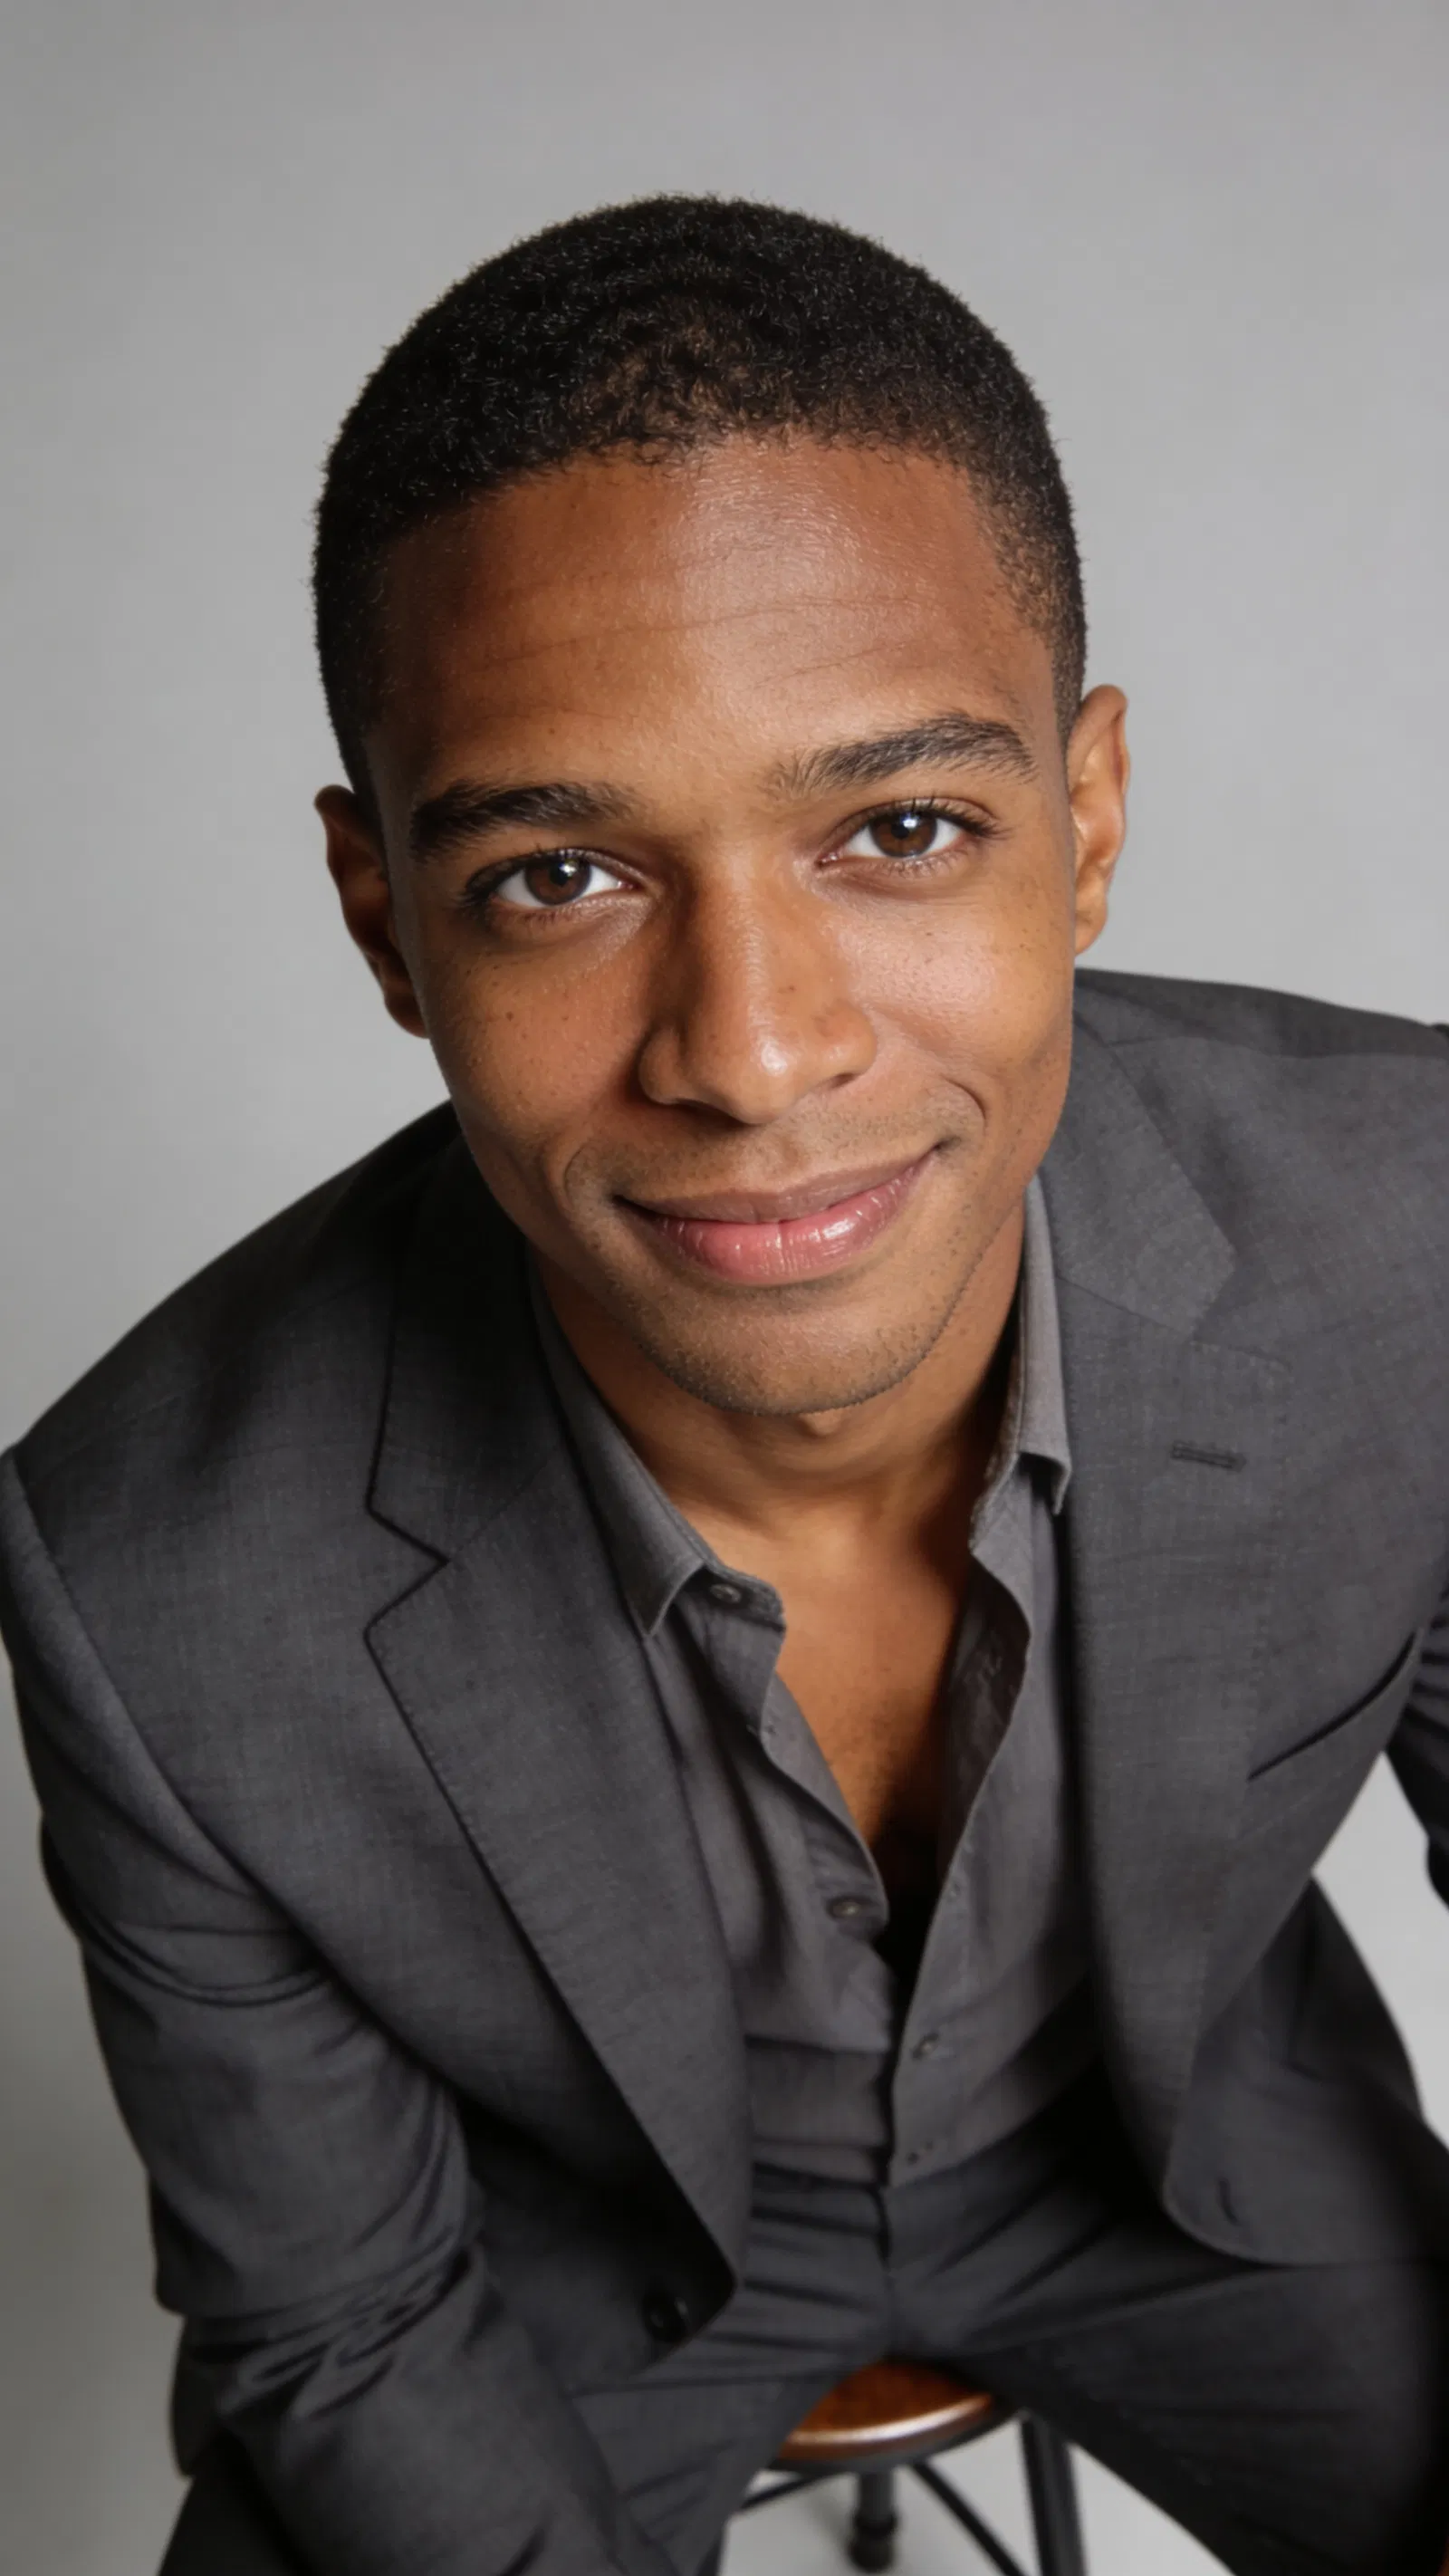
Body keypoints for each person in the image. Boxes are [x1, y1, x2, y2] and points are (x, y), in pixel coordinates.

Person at [2, 196, 1447, 2576]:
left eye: (901, 829)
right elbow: (340, 2325)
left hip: (1190, 2146)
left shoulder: (1412, 1239)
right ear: (387, 924)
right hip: (570, 2250)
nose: (755, 1056)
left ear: (1086, 820)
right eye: (558, 876)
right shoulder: (151, 1575)